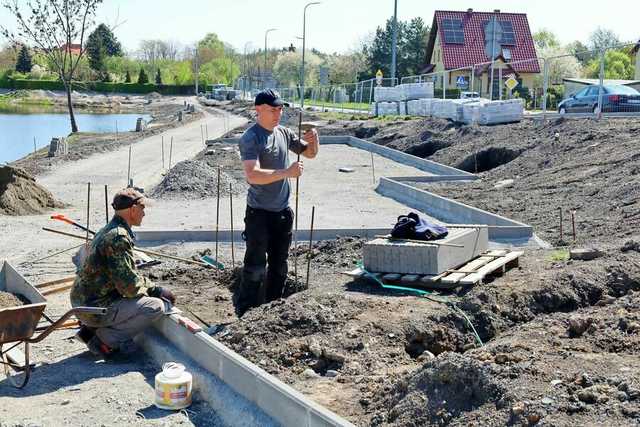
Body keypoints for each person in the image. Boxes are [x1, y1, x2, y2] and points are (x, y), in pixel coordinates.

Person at [236, 89, 319, 315]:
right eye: (273, 109)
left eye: (280, 109)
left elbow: (310, 153)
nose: (278, 113)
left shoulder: (283, 132)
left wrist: (313, 140)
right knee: (255, 267)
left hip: (282, 213)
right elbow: (252, 175)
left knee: (280, 266)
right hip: (259, 214)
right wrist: (286, 172)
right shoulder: (251, 138)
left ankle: (272, 310)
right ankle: (245, 311)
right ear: (259, 110)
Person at [70, 188, 176, 357]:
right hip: (93, 307)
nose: (144, 213)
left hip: (86, 301)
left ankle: (89, 332)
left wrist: (152, 287)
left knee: (139, 298)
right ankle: (105, 341)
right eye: (142, 209)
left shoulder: (110, 229)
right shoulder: (118, 237)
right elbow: (129, 287)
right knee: (155, 307)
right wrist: (156, 291)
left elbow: (128, 273)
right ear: (133, 209)